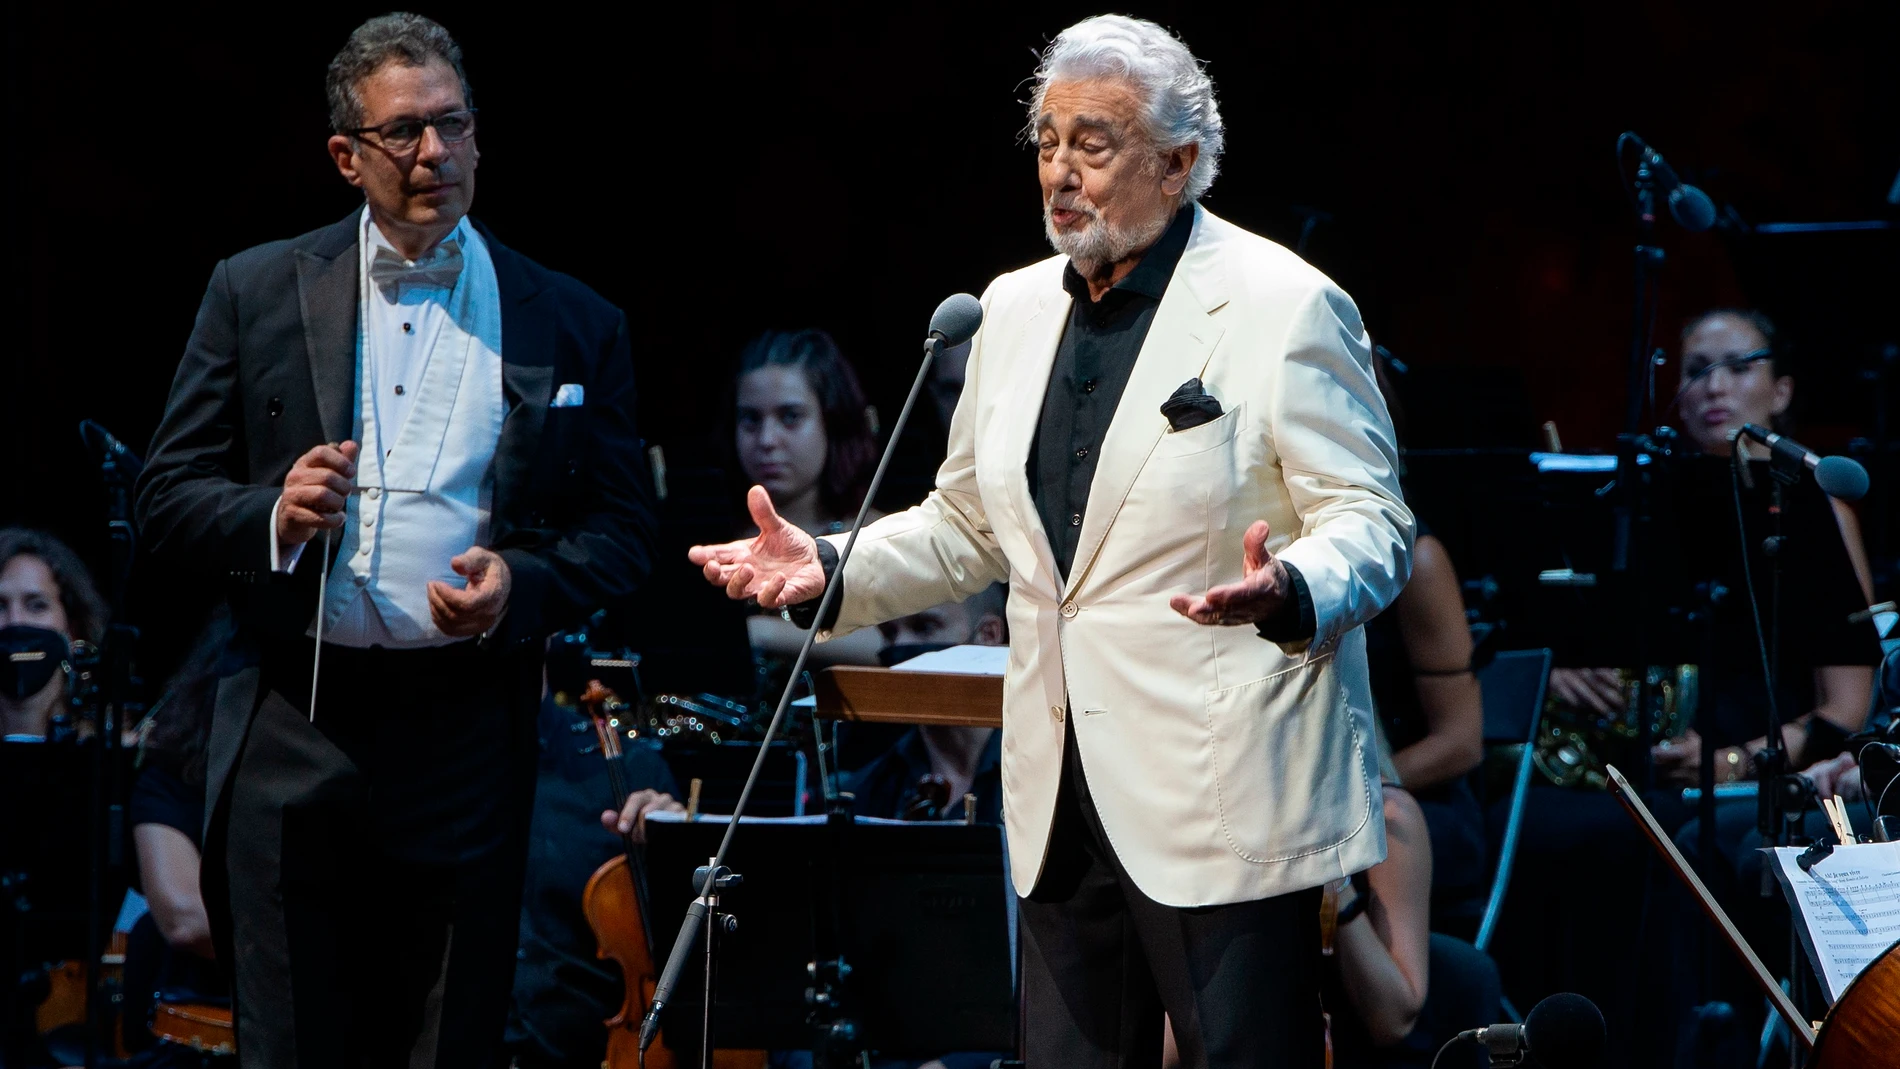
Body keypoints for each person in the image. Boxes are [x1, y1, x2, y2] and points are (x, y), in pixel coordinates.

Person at [690, 15, 1413, 1068]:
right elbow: (968, 523)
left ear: (1179, 161)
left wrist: (1294, 583)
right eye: (1047, 141)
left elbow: (1373, 518)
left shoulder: (1284, 304)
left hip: (1223, 791)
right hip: (1058, 796)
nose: (1060, 173)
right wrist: (832, 566)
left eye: (1094, 143)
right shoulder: (1008, 310)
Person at [133, 14, 657, 1066]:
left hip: (468, 734)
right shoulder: (255, 289)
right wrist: (271, 514)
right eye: (405, 133)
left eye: (452, 127)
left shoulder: (570, 317)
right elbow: (165, 495)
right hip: (295, 721)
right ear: (346, 156)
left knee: (445, 1045)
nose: (434, 154)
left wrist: (525, 580)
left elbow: (625, 533)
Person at [732, 329, 886, 669]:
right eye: (751, 420)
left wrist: (760, 633)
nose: (767, 440)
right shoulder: (719, 540)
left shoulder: (874, 534)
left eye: (790, 417)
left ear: (832, 422)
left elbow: (893, 647)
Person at [845, 584, 1008, 825]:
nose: (901, 644)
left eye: (925, 627)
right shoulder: (868, 790)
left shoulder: (1042, 776)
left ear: (988, 636)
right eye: (889, 633)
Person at [0, 528, 108, 742]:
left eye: (36, 606)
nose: (16, 621)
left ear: (72, 629)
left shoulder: (111, 756)